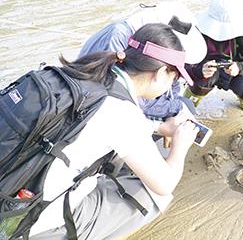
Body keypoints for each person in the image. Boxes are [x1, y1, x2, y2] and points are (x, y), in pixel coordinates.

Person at [30, 23, 203, 238]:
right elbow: (164, 184)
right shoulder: (123, 113)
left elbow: (106, 124)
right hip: (41, 223)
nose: (171, 87)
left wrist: (160, 127)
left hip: (17, 191)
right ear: (159, 73)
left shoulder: (91, 71)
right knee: (156, 196)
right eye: (174, 78)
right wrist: (180, 146)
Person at [79, 2, 207, 123]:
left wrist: (172, 113)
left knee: (185, 107)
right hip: (100, 108)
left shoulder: (151, 45)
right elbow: (134, 99)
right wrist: (174, 111)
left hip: (143, 94)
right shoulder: (118, 38)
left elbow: (172, 79)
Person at [183, 0, 243, 112]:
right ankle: (194, 94)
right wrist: (199, 70)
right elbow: (184, 61)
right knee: (188, 104)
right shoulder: (198, 30)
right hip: (207, 74)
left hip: (234, 73)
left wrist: (239, 67)